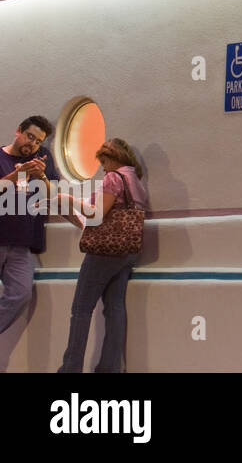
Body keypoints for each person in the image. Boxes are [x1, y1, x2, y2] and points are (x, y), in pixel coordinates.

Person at [58, 137, 149, 373]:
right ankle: (109, 367)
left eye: (104, 162)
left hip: (104, 253)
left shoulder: (114, 178)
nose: (102, 168)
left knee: (81, 308)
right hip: (127, 251)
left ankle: (70, 368)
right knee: (114, 308)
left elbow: (97, 214)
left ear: (112, 158)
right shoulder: (135, 181)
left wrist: (70, 200)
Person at [0, 115, 58, 336]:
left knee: (21, 295)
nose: (32, 144)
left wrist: (41, 175)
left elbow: (52, 194)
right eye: (30, 137)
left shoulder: (40, 160)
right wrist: (18, 174)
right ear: (18, 131)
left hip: (21, 244)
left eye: (37, 141)